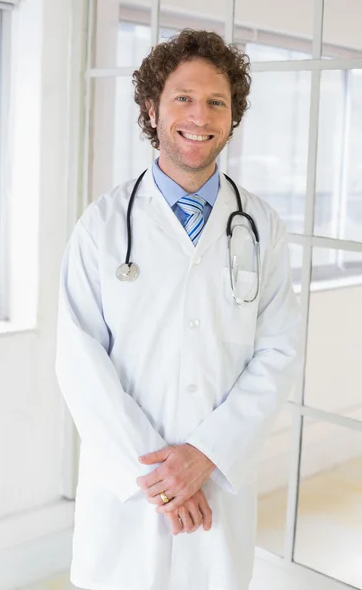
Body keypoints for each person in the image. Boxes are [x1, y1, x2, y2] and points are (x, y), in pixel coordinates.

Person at [56, 29, 302, 590]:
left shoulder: (261, 226)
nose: (201, 115)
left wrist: (204, 456)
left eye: (217, 101)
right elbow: (78, 359)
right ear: (152, 108)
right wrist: (164, 476)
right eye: (183, 98)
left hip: (216, 478)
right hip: (129, 483)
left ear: (233, 115)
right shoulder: (103, 224)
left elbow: (279, 352)